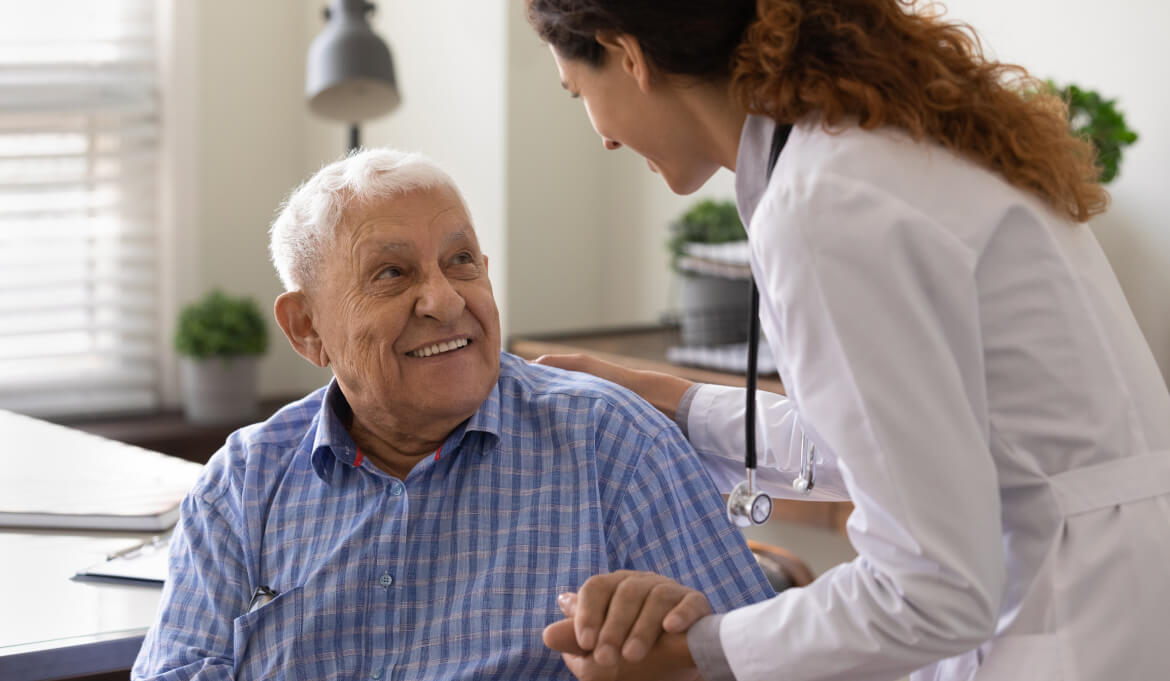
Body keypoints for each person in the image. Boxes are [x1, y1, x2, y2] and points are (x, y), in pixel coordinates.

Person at [524, 1, 1170, 680]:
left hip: (1076, 620)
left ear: (628, 55)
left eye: (578, 94)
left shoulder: (821, 203)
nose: (602, 136)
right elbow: (903, 439)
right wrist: (681, 405)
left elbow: (929, 590)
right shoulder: (876, 149)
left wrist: (694, 650)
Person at [131, 149, 773, 681]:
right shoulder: (243, 481)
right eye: (391, 273)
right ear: (307, 329)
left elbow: (765, 668)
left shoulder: (612, 444)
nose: (442, 300)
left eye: (461, 262)